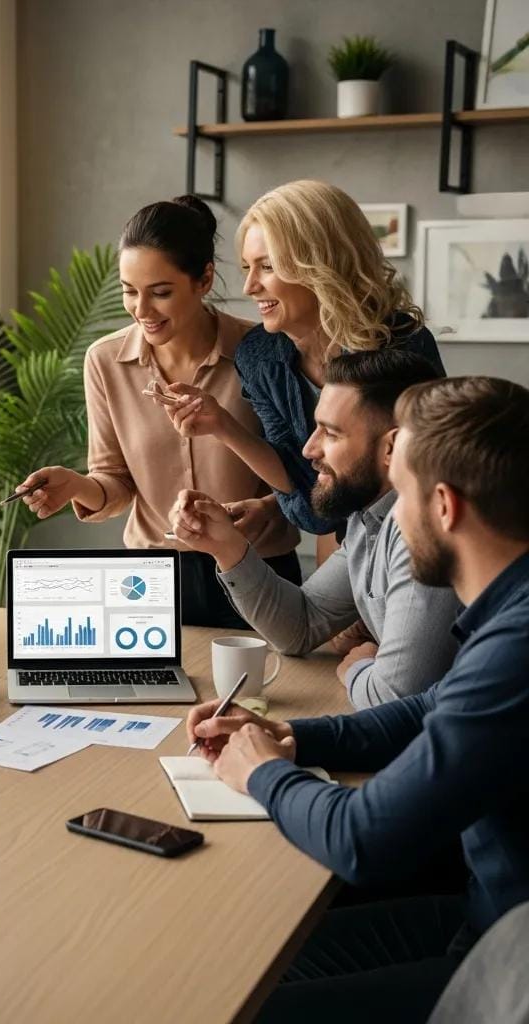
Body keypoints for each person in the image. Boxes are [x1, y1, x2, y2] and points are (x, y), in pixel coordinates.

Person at [184, 376, 529, 1022]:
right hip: (486, 918)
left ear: (445, 506)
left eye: (401, 495)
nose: (393, 519)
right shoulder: (510, 609)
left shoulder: (518, 647)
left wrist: (263, 774)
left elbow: (364, 839)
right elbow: (432, 707)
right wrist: (297, 738)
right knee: (246, 968)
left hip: (509, 969)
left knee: (247, 1005)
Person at [15, 195, 300, 627]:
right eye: (129, 292)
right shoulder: (105, 361)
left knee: (271, 695)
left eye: (160, 293)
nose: (141, 311)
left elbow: (304, 473)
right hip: (151, 578)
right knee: (152, 693)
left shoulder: (264, 351)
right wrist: (76, 485)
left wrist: (271, 508)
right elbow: (114, 482)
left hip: (258, 564)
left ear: (203, 279)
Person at [160, 179, 445, 559]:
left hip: (414, 544)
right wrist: (221, 425)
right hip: (343, 549)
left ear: (319, 264)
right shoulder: (258, 356)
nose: (249, 286)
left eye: (267, 267)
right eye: (247, 267)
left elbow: (430, 471)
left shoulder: (402, 343)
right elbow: (311, 507)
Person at [169, 349, 460, 708]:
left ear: (392, 447)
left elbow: (397, 695)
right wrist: (226, 548)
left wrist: (359, 667)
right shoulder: (368, 517)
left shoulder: (425, 533)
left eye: (331, 434)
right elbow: (301, 626)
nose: (309, 449)